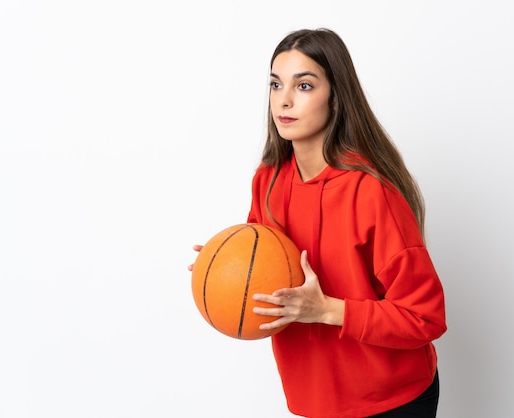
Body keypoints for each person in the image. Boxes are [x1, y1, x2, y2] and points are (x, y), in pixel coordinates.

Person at [190, 28, 447, 418]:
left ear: (336, 97)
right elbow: (264, 273)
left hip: (392, 401)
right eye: (276, 84)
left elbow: (425, 317)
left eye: (304, 85)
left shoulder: (370, 192)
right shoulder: (269, 180)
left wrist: (327, 310)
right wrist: (224, 269)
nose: (285, 100)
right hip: (315, 399)